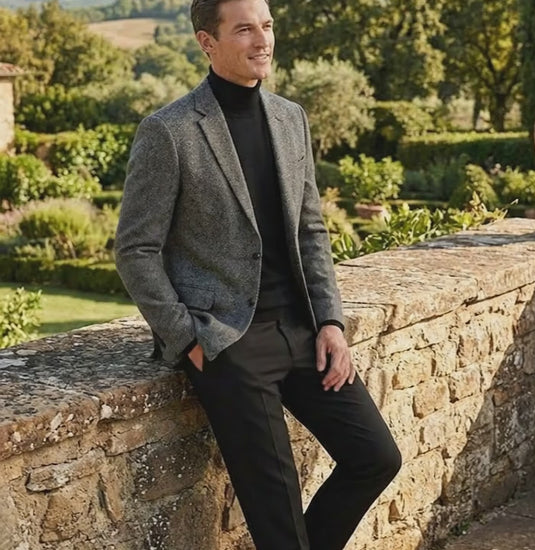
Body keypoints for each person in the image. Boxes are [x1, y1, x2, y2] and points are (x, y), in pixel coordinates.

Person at [114, 0, 401, 548]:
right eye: (244, 29)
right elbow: (135, 249)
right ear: (207, 42)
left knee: (376, 457)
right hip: (228, 343)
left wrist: (331, 322)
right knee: (278, 518)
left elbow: (311, 230)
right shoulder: (169, 131)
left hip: (303, 332)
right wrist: (188, 339)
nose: (262, 39)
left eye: (266, 25)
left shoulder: (291, 118)